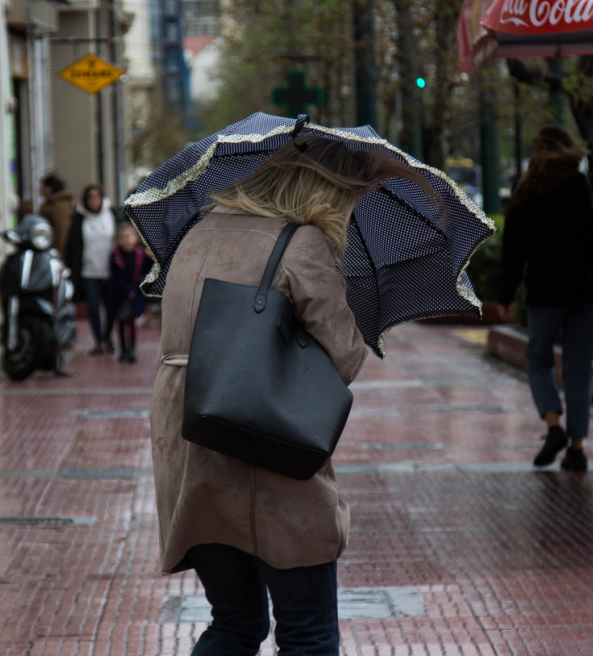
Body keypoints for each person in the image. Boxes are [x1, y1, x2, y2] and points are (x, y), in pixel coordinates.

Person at [150, 136, 433, 656]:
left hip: (189, 449)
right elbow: (345, 357)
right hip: (264, 450)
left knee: (234, 624)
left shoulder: (196, 233)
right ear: (329, 189)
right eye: (358, 192)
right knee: (308, 633)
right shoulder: (301, 244)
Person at [498, 126, 593, 473]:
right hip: (588, 294)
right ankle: (577, 450)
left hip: (545, 297)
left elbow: (513, 251)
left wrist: (505, 295)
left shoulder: (526, 192)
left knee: (538, 361)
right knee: (578, 371)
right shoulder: (587, 186)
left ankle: (554, 426)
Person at [66, 183, 121, 354]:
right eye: (90, 197)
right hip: (88, 271)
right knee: (93, 305)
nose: (94, 200)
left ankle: (108, 335)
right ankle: (98, 341)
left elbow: (123, 235)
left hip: (110, 270)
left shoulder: (112, 213)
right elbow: (71, 246)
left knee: (112, 306)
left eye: (97, 196)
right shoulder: (79, 218)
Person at [107, 223, 152, 363]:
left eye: (128, 237)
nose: (126, 240)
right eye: (122, 237)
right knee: (120, 321)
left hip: (135, 295)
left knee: (132, 321)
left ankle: (132, 350)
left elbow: (147, 271)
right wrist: (125, 290)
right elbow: (113, 277)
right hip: (119, 294)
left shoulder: (140, 254)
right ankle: (123, 350)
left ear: (135, 239)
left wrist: (150, 258)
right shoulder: (115, 255)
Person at [38, 173, 75, 253]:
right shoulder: (54, 204)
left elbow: (62, 229)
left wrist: (59, 252)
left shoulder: (57, 206)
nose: (41, 190)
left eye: (43, 187)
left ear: (50, 188)